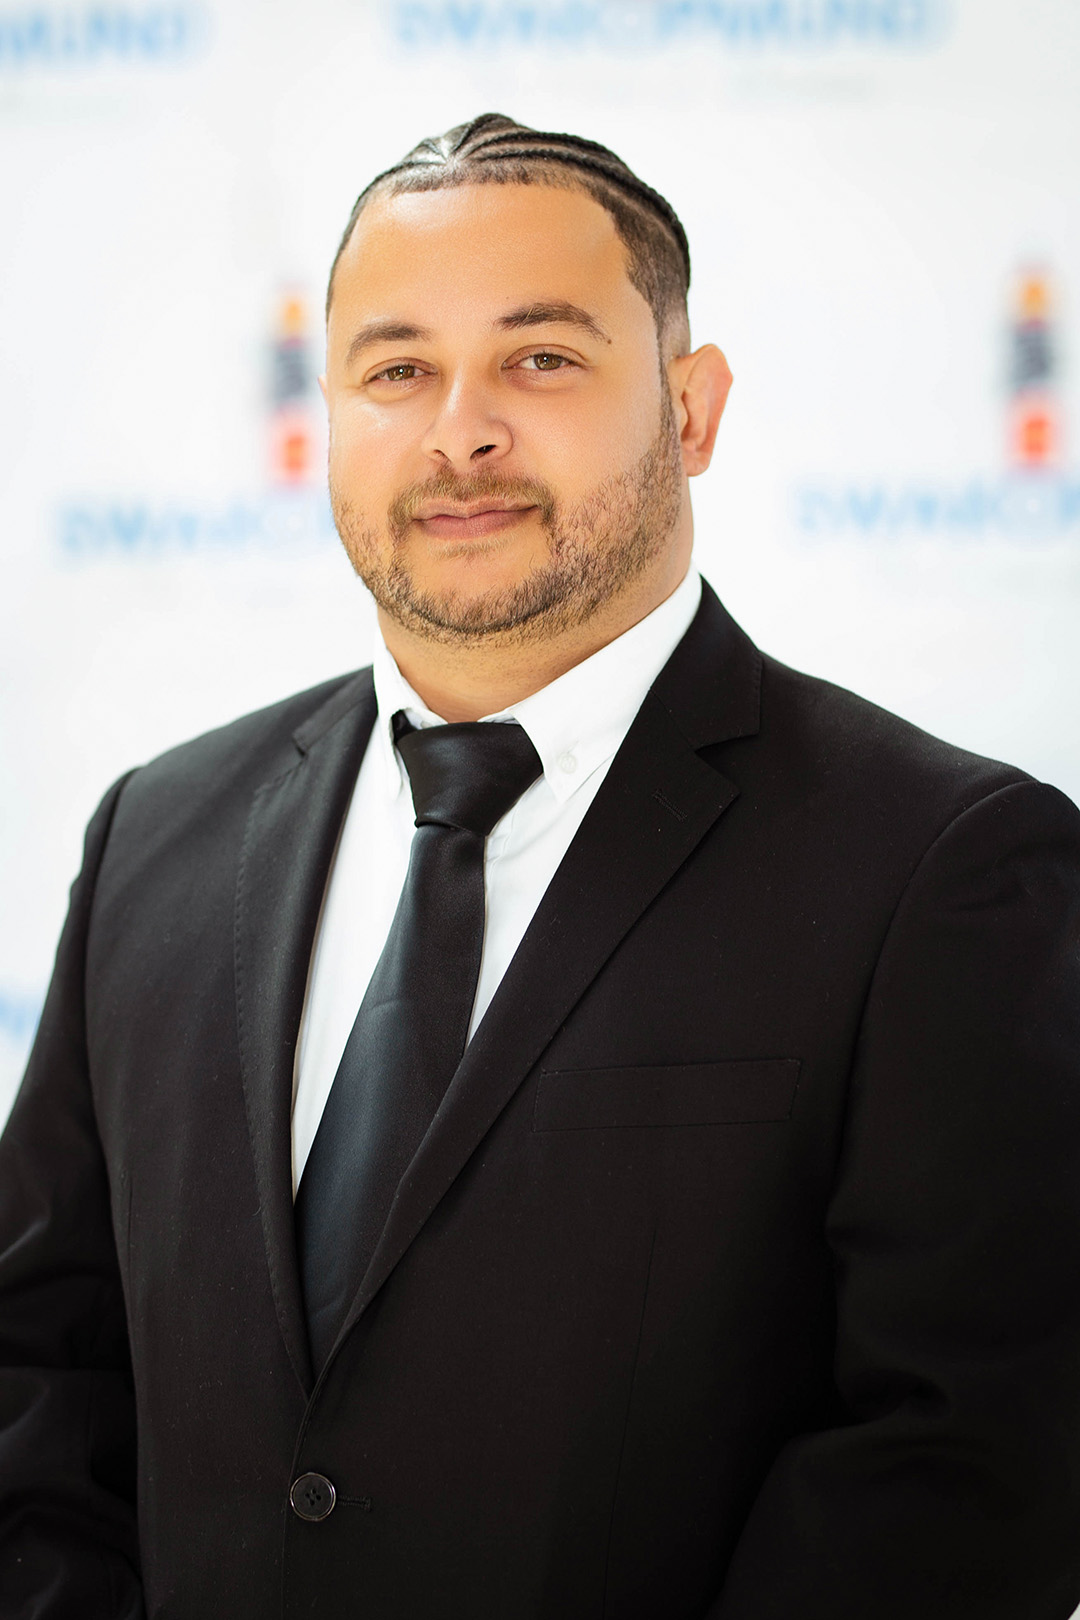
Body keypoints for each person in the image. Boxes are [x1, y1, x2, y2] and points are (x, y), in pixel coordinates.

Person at [1, 113, 1078, 1620]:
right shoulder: (157, 836)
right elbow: (38, 1374)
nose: (460, 432)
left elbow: (962, 1467)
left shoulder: (942, 866)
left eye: (542, 358)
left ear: (690, 411)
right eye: (397, 371)